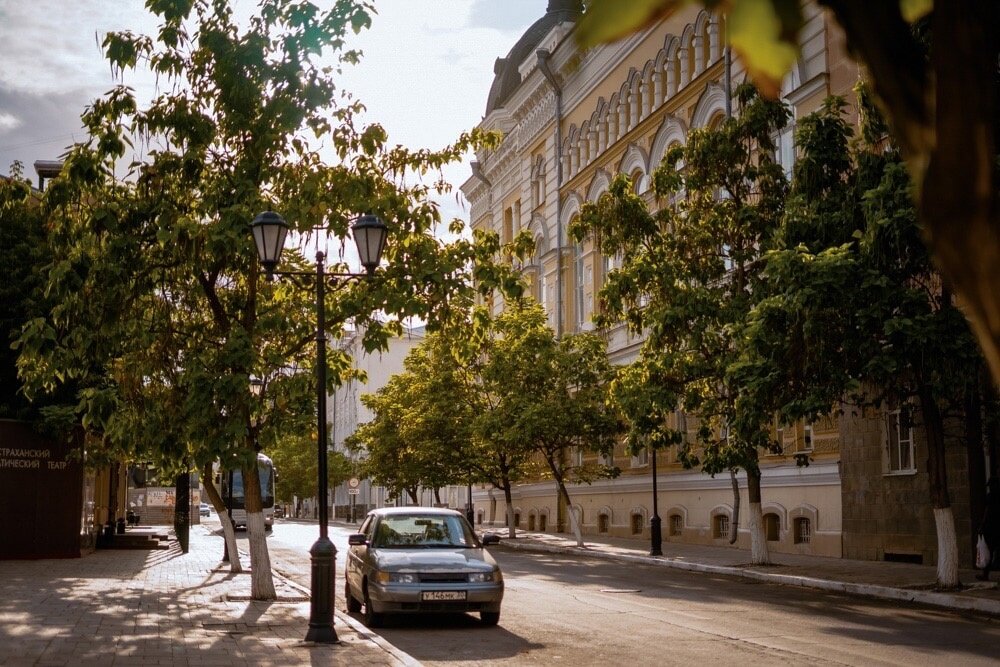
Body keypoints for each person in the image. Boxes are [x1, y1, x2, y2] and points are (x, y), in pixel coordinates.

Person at [977, 476, 1000, 581]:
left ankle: (985, 574)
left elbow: (987, 512)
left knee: (989, 550)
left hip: (991, 528)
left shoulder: (990, 496)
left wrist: (982, 525)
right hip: (995, 527)